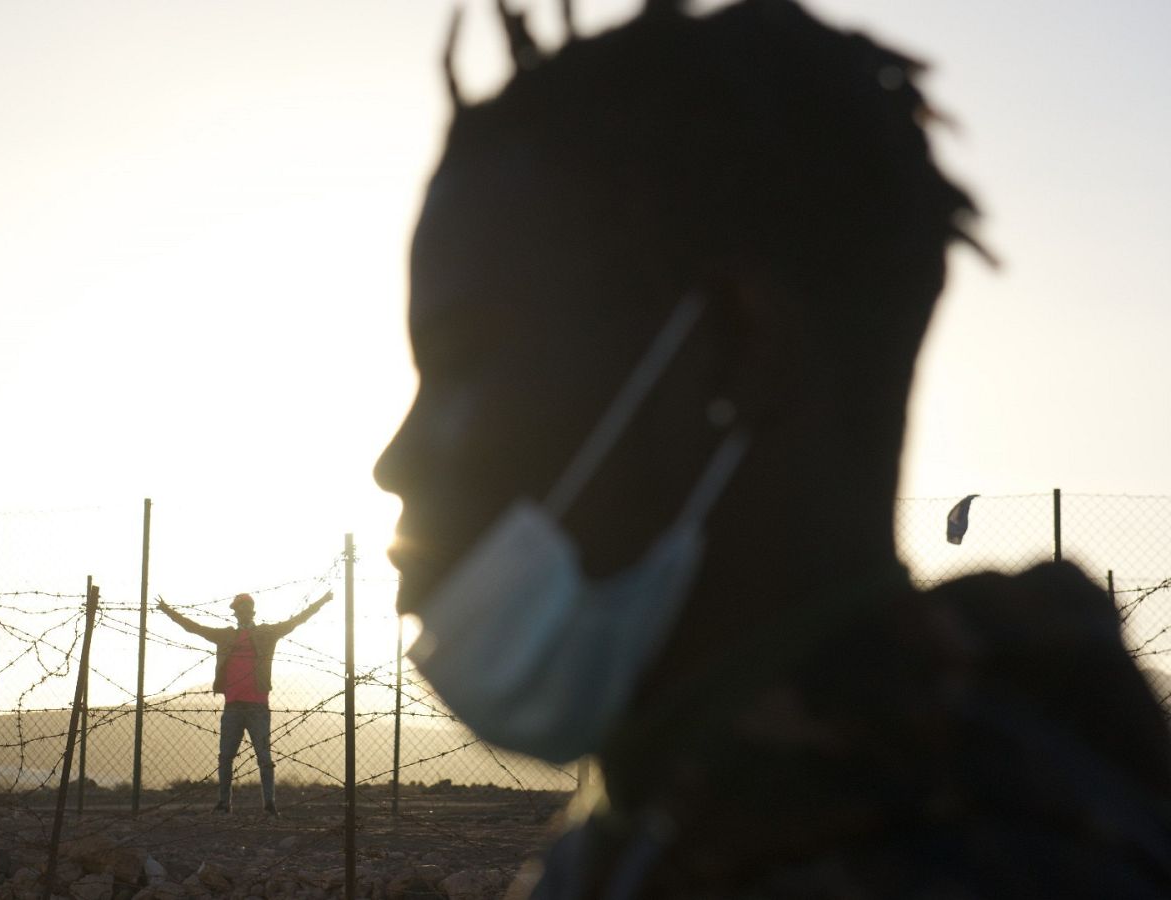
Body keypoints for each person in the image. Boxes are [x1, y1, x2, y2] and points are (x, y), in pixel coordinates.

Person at [373, 0, 1171, 896]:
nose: (394, 462)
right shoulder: (668, 825)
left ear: (734, 351)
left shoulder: (983, 867)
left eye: (464, 362)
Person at [157, 590, 333, 815]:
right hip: (233, 706)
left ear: (252, 611)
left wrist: (322, 600)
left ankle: (268, 805)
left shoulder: (266, 633)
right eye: (239, 609)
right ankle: (224, 803)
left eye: (245, 608)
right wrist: (168, 611)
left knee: (263, 757)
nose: (242, 612)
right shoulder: (226, 636)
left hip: (257, 705)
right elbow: (195, 628)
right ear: (235, 613)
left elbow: (297, 620)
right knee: (226, 756)